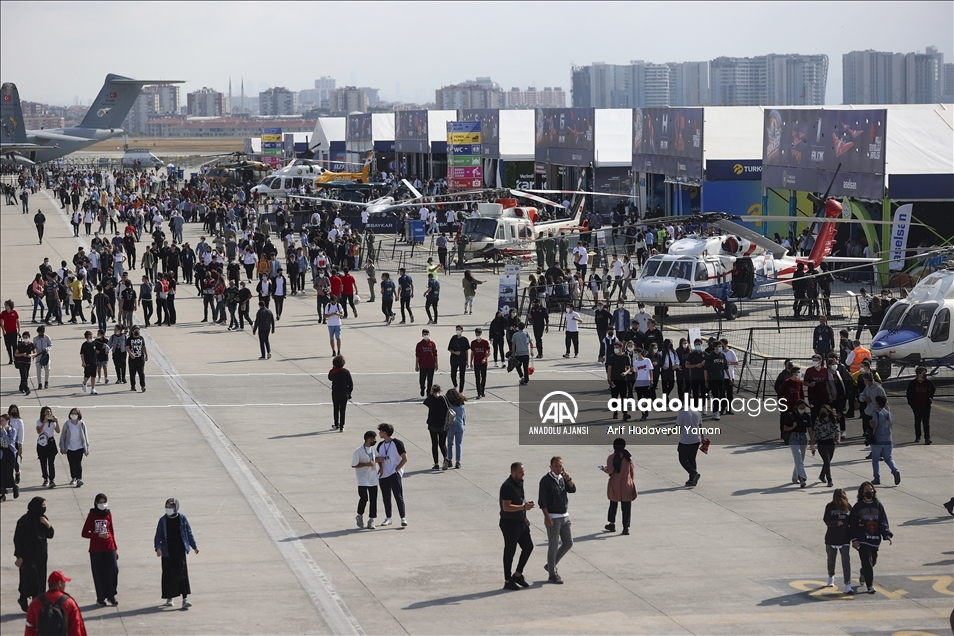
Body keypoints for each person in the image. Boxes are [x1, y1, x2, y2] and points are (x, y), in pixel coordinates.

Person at [849, 482, 893, 594]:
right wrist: (854, 539)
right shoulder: (858, 507)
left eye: (871, 489)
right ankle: (870, 585)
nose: (870, 491)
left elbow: (883, 521)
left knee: (872, 561)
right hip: (862, 539)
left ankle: (863, 572)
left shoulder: (878, 505)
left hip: (874, 539)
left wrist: (887, 535)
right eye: (867, 490)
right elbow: (852, 524)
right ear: (862, 492)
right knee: (867, 562)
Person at [155, 497, 198, 608]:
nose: (168, 509)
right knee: (169, 574)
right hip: (167, 551)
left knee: (182, 574)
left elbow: (188, 532)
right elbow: (158, 535)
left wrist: (194, 546)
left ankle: (185, 599)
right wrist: (158, 548)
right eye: (166, 507)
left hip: (179, 550)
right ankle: (170, 598)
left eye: (170, 507)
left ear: (176, 507)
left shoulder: (182, 518)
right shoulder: (163, 520)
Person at [538, 456, 575, 584]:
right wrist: (547, 516)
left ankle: (550, 565)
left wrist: (568, 478)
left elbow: (573, 489)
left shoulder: (562, 479)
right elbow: (542, 501)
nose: (558, 468)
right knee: (553, 546)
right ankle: (552, 574)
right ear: (551, 467)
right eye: (556, 466)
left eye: (560, 466)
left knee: (568, 542)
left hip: (565, 516)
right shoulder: (545, 480)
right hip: (553, 517)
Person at [15, 497, 55, 612]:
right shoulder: (24, 521)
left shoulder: (43, 519)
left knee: (40, 579)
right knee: (29, 578)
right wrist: (19, 556)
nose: (44, 508)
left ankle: (37, 603)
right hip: (28, 555)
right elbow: (17, 539)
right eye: (42, 505)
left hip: (41, 555)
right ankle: (23, 598)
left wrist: (48, 525)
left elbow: (50, 535)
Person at [499, 462, 534, 591]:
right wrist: (524, 507)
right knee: (510, 550)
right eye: (520, 472)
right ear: (513, 472)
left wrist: (524, 514)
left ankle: (517, 574)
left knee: (528, 546)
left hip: (521, 522)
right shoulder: (507, 486)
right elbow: (506, 507)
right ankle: (508, 580)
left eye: (523, 471)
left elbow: (519, 500)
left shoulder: (519, 482)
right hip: (510, 524)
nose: (523, 474)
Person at [81, 493, 119, 606]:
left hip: (109, 547)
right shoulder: (92, 515)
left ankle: (111, 594)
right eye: (100, 502)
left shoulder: (108, 514)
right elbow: (84, 533)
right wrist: (97, 535)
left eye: (104, 502)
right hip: (96, 549)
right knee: (99, 573)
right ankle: (101, 597)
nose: (102, 504)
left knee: (114, 570)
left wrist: (115, 548)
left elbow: (111, 531)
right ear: (96, 503)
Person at [23, 570, 87, 636]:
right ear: (59, 583)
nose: (65, 585)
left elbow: (29, 628)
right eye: (64, 582)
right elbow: (76, 629)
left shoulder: (35, 602)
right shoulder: (69, 602)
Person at [601, 438, 637, 534]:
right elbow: (632, 472)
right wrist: (631, 481)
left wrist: (603, 468)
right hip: (626, 485)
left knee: (613, 504)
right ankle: (626, 528)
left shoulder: (611, 457)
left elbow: (610, 470)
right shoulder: (628, 457)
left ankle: (612, 524)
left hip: (615, 485)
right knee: (626, 507)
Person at [375, 423, 408, 527]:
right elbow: (378, 458)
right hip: (384, 474)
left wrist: (397, 469)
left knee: (398, 496)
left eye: (380, 431)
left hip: (394, 473)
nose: (379, 433)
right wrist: (380, 467)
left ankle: (403, 518)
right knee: (386, 497)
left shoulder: (397, 443)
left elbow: (405, 458)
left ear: (385, 432)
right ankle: (388, 517)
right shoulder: (380, 445)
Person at [823, 488, 853, 594]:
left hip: (844, 538)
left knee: (846, 561)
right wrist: (836, 523)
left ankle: (848, 584)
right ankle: (831, 576)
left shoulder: (848, 507)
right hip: (831, 538)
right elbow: (826, 520)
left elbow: (852, 521)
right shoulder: (830, 506)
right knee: (831, 560)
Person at [869, 395, 901, 486]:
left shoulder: (876, 413)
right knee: (888, 458)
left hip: (878, 439)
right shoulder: (888, 413)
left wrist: (870, 423)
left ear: (877, 403)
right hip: (888, 439)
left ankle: (877, 478)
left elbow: (875, 425)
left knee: (875, 459)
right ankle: (895, 470)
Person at [351, 431, 379, 530]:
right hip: (362, 479)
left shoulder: (373, 449)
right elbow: (354, 465)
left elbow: (378, 458)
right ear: (368, 439)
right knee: (364, 498)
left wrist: (382, 463)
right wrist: (366, 464)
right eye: (373, 439)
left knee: (373, 499)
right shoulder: (358, 451)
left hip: (373, 478)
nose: (375, 440)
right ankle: (359, 515)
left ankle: (371, 520)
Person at [783, 399, 813, 488]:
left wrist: (812, 440)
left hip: (803, 438)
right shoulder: (791, 416)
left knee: (801, 459)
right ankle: (802, 478)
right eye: (801, 408)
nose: (802, 409)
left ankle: (794, 476)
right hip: (793, 437)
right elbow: (785, 428)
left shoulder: (807, 416)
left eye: (804, 408)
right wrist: (792, 426)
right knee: (798, 457)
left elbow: (809, 429)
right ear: (796, 407)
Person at [58, 408, 89, 488]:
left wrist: (87, 447)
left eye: (75, 413)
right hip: (70, 447)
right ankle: (73, 478)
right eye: (72, 413)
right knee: (72, 463)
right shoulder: (67, 424)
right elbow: (63, 436)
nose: (74, 415)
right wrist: (62, 446)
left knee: (78, 463)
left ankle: (79, 478)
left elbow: (85, 436)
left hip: (79, 447)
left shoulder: (81, 424)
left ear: (78, 415)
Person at [905, 366, 936, 444]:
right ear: (919, 374)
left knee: (926, 422)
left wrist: (930, 397)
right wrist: (912, 404)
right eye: (923, 373)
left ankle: (927, 438)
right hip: (917, 405)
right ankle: (918, 436)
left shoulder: (928, 382)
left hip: (926, 405)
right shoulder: (913, 383)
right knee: (917, 421)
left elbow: (933, 389)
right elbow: (909, 394)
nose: (925, 374)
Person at [423, 384, 450, 471]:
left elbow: (425, 402)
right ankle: (446, 458)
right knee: (442, 443)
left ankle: (436, 464)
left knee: (434, 444)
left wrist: (431, 395)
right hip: (443, 424)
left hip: (433, 424)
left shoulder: (430, 399)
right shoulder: (444, 399)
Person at [676, 406, 703, 487]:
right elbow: (700, 426)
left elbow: (678, 426)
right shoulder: (697, 412)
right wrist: (702, 437)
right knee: (692, 459)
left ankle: (694, 473)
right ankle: (692, 480)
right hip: (696, 439)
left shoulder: (682, 413)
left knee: (682, 459)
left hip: (686, 440)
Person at [813, 405, 840, 487]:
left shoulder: (833, 420)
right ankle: (829, 480)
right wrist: (812, 445)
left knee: (827, 461)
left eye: (824, 411)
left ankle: (822, 475)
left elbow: (837, 430)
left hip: (831, 442)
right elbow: (815, 433)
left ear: (828, 412)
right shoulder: (818, 421)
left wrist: (838, 439)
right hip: (821, 443)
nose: (823, 413)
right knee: (827, 461)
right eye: (821, 411)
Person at [35, 407, 60, 488]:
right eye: (47, 412)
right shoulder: (39, 422)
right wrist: (44, 423)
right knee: (43, 462)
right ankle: (45, 478)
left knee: (51, 462)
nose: (48, 413)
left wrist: (56, 421)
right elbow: (39, 431)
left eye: (49, 412)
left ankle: (52, 479)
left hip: (51, 442)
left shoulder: (53, 421)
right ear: (43, 413)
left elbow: (58, 431)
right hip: (42, 442)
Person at [328, 355, 353, 432]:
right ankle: (342, 426)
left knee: (336, 408)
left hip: (335, 393)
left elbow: (329, 378)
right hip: (344, 393)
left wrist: (333, 368)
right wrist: (349, 392)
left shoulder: (333, 372)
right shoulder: (346, 372)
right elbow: (351, 384)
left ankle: (336, 424)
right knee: (343, 410)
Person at [445, 388, 466, 470]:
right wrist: (464, 424)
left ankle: (449, 459)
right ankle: (458, 461)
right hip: (460, 425)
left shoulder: (449, 405)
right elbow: (464, 416)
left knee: (450, 444)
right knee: (459, 444)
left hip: (451, 426)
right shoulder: (461, 405)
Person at [415, 329, 438, 397]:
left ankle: (429, 392)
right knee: (422, 380)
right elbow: (417, 355)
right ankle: (422, 388)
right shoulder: (419, 344)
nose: (426, 336)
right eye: (424, 334)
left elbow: (435, 354)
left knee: (430, 380)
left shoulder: (432, 343)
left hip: (431, 365)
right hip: (423, 365)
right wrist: (416, 365)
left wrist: (436, 363)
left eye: (427, 334)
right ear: (422, 335)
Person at [447, 325, 470, 392]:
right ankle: (455, 384)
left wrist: (467, 360)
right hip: (454, 359)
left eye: (459, 329)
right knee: (453, 374)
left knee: (462, 376)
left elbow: (466, 350)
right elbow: (449, 349)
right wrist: (455, 352)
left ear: (462, 330)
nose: (458, 331)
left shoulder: (465, 339)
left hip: (462, 359)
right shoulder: (453, 338)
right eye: (457, 329)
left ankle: (461, 391)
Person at [126, 325, 148, 392]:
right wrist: (130, 353)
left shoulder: (141, 338)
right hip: (132, 359)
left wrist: (146, 354)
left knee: (141, 373)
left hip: (140, 358)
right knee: (132, 373)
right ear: (132, 331)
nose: (137, 332)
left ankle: (143, 386)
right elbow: (127, 347)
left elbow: (143, 346)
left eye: (138, 330)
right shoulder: (130, 339)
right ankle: (133, 386)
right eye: (136, 330)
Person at [470, 328, 490, 399]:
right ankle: (478, 392)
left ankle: (482, 391)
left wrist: (485, 358)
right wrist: (471, 362)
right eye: (476, 334)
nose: (477, 335)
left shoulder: (485, 342)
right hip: (476, 362)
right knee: (477, 378)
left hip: (483, 363)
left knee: (483, 377)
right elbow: (472, 353)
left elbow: (489, 352)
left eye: (479, 334)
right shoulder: (473, 343)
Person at [15, 331, 36, 395]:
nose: (25, 339)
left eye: (26, 337)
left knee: (25, 376)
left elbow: (35, 352)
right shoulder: (20, 345)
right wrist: (22, 354)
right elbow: (16, 354)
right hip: (21, 362)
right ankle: (26, 389)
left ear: (29, 337)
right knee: (24, 376)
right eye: (24, 337)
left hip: (28, 362)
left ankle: (21, 387)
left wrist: (31, 355)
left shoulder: (31, 345)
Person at [2, 300, 22, 365]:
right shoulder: (3, 313)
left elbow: (17, 321)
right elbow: (1, 322)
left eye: (6, 305)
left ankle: (15, 357)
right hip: (6, 332)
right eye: (5, 305)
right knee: (8, 346)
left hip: (13, 331)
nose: (5, 307)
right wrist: (3, 330)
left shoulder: (14, 312)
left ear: (10, 306)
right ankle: (10, 359)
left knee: (14, 345)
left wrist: (19, 330)